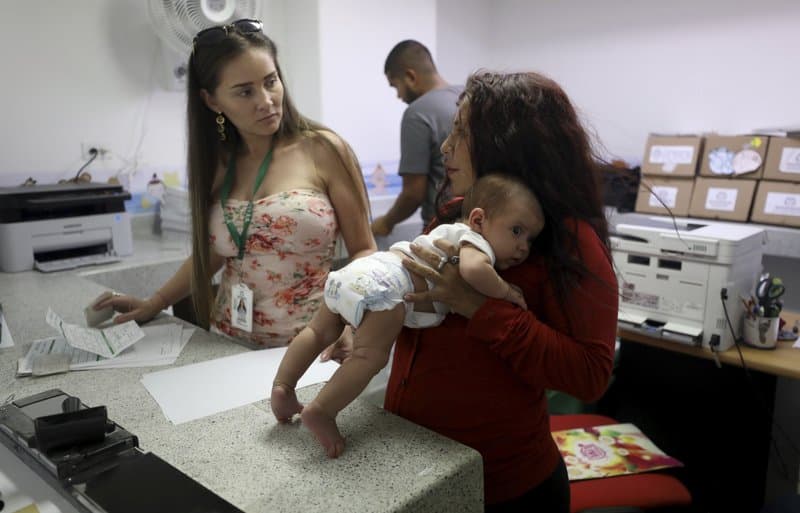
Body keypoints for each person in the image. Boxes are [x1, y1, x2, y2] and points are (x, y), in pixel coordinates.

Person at [327, 71, 618, 512]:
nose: (446, 148)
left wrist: (478, 306)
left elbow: (590, 373)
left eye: (461, 133)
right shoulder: (459, 215)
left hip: (503, 488)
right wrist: (364, 319)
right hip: (419, 465)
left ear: (508, 143)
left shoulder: (570, 242)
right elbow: (411, 294)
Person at [96, 19, 375, 347]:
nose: (266, 100)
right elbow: (215, 254)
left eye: (271, 82)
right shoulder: (217, 163)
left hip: (312, 345)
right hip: (227, 342)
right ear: (212, 101)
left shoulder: (323, 149)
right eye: (244, 91)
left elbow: (364, 250)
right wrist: (154, 302)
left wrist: (347, 317)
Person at [271, 174, 545, 458]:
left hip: (361, 271)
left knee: (317, 332)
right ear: (478, 220)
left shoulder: (446, 229)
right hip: (388, 289)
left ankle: (283, 389)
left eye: (530, 238)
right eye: (516, 231)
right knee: (367, 357)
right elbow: (473, 271)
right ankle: (322, 411)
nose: (524, 246)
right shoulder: (475, 243)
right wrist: (507, 291)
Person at [371, 40, 462, 237]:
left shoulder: (418, 113)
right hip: (477, 227)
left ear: (410, 76)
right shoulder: (469, 97)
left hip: (440, 232)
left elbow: (413, 194)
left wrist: (386, 222)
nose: (398, 96)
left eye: (396, 86)